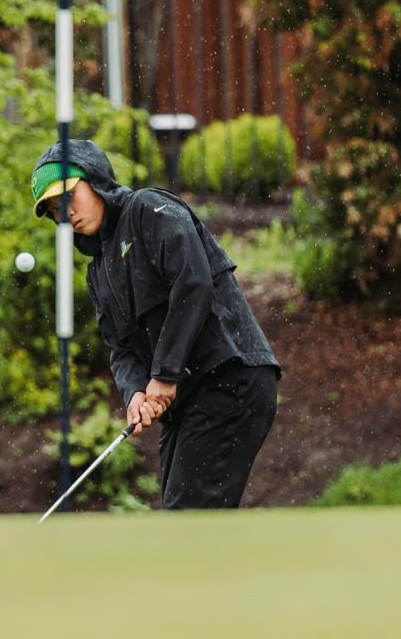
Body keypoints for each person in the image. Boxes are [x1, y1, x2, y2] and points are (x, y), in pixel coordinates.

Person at [30, 138, 282, 509]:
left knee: (188, 521)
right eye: (53, 209)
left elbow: (193, 284)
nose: (64, 213)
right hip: (189, 399)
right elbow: (120, 348)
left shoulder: (149, 209)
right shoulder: (98, 271)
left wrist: (164, 374)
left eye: (68, 196)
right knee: (185, 520)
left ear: (95, 179)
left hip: (230, 378)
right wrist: (134, 392)